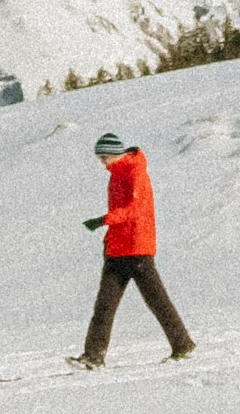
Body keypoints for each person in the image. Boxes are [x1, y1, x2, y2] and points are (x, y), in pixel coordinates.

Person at [78, 129, 195, 367]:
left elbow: (134, 210)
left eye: (104, 157)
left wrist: (104, 220)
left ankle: (183, 345)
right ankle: (93, 357)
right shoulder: (116, 174)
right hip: (117, 250)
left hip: (137, 248)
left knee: (157, 301)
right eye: (100, 158)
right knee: (104, 306)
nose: (102, 163)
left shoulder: (135, 173)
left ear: (114, 153)